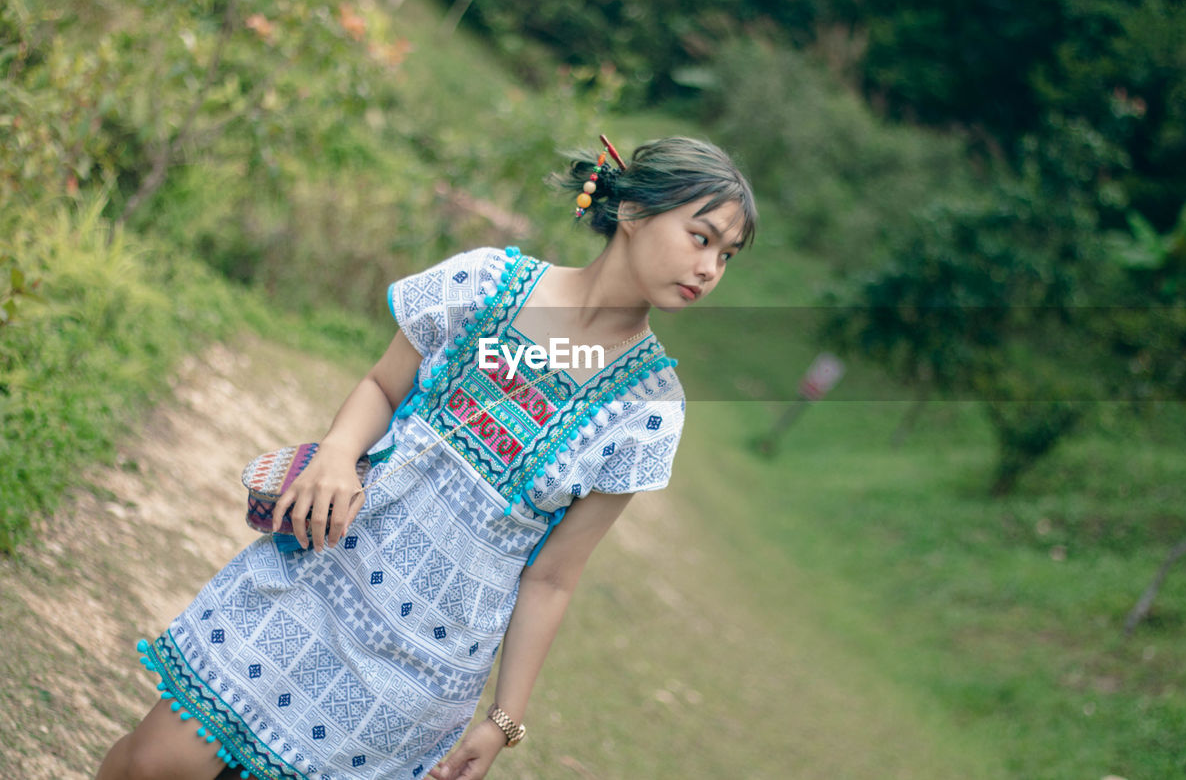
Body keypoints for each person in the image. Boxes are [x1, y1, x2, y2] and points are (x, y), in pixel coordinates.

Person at [96, 135, 757, 780]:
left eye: (726, 255)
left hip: (419, 672)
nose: (709, 268)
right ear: (634, 212)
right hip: (322, 569)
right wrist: (334, 454)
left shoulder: (648, 409)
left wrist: (504, 717)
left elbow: (553, 577)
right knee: (158, 762)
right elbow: (383, 385)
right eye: (701, 237)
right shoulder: (486, 281)